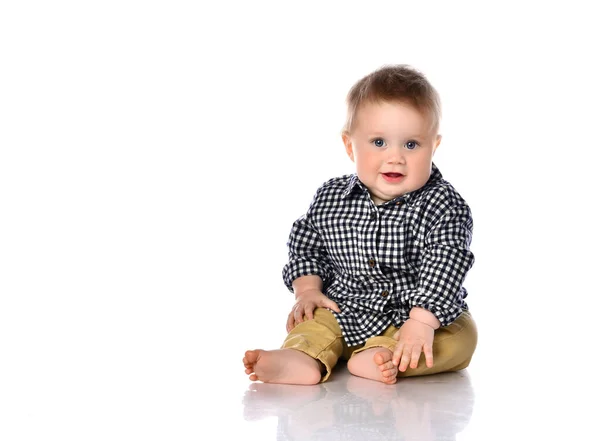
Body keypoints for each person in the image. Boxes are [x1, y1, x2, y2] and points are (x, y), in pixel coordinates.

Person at [243, 64, 478, 385]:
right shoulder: (331, 196)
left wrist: (422, 321)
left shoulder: (443, 205)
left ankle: (382, 355)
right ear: (350, 145)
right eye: (379, 142)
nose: (395, 157)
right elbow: (306, 247)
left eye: (411, 144)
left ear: (433, 145)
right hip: (345, 308)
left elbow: (446, 262)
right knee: (315, 322)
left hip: (417, 315)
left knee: (460, 339)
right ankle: (300, 357)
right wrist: (308, 291)